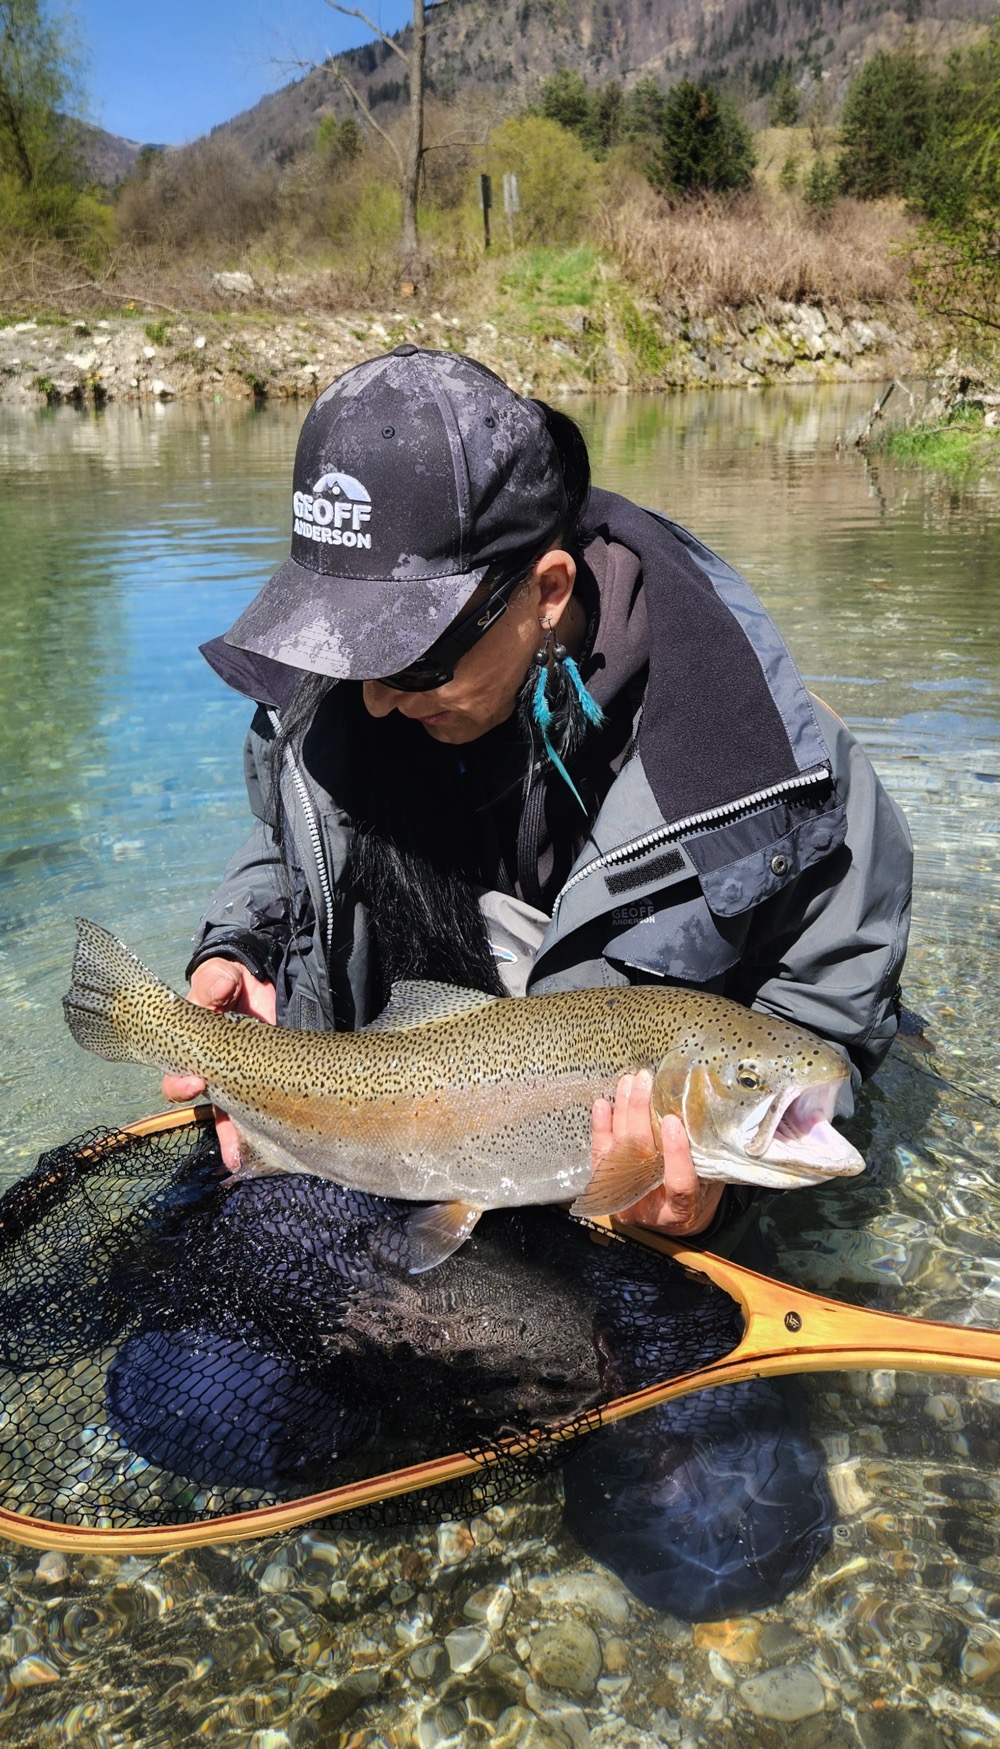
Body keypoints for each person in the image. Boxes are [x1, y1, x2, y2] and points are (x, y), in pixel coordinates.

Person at [157, 345, 911, 1614]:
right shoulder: (346, 692)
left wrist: (703, 1204)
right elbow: (288, 845)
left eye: (413, 663)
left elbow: (827, 1032)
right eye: (348, 657)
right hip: (392, 1126)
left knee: (726, 1540)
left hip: (619, 1202)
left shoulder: (773, 776)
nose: (374, 700)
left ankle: (533, 1399)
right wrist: (240, 947)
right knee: (188, 1402)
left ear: (546, 591)